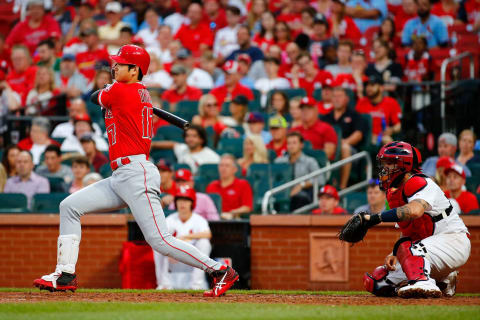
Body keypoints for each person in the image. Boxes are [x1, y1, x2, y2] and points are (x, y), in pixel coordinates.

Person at [33, 45, 238, 297]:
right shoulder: (133, 91)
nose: (115, 67)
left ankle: (219, 270)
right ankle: (65, 274)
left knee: (160, 240)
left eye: (121, 63)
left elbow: (93, 96)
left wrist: (108, 89)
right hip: (120, 174)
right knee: (69, 206)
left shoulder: (121, 90)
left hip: (135, 172)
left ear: (135, 70)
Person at [358, 141, 470, 298]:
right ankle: (443, 279)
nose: (384, 168)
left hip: (453, 241)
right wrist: (396, 253)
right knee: (378, 281)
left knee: (409, 249)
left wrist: (375, 218)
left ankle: (424, 282)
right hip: (430, 248)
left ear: (404, 164)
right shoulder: (395, 193)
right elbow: (409, 230)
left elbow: (415, 211)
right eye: (384, 163)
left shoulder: (421, 182)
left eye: (389, 163)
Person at [154, 186, 213, 290]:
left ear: (191, 203)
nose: (182, 203)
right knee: (157, 247)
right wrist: (170, 251)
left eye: (186, 200)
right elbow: (160, 237)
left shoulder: (199, 219)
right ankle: (164, 284)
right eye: (180, 200)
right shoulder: (170, 219)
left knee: (204, 243)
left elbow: (208, 234)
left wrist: (186, 237)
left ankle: (196, 285)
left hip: (192, 261)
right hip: (173, 261)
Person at [323, 87, 365, 189]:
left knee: (344, 148)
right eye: (334, 96)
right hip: (330, 148)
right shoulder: (325, 117)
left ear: (346, 99)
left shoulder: (355, 115)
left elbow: (358, 135)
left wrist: (341, 143)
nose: (337, 99)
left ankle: (342, 187)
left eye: (340, 96)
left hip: (352, 152)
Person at [275, 132, 324, 211]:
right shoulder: (279, 161)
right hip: (282, 194)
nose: (291, 146)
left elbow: (321, 179)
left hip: (302, 196)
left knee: (299, 198)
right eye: (289, 143)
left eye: (294, 143)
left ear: (301, 145)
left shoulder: (310, 161)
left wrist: (301, 185)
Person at [152, 125, 220, 174]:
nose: (190, 139)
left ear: (201, 139)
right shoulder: (183, 149)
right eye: (187, 136)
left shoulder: (211, 156)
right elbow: (173, 144)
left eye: (194, 136)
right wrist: (152, 144)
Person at [355, 75, 402, 145]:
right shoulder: (361, 102)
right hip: (364, 137)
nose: (368, 88)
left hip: (381, 137)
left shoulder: (391, 102)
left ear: (381, 88)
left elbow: (398, 125)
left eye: (372, 85)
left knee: (387, 140)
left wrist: (391, 130)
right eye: (367, 85)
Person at [206, 154, 253, 220]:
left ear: (235, 169)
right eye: (221, 165)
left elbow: (247, 207)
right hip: (214, 220)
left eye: (227, 166)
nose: (223, 168)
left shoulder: (243, 184)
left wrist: (232, 213)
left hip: (234, 221)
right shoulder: (212, 186)